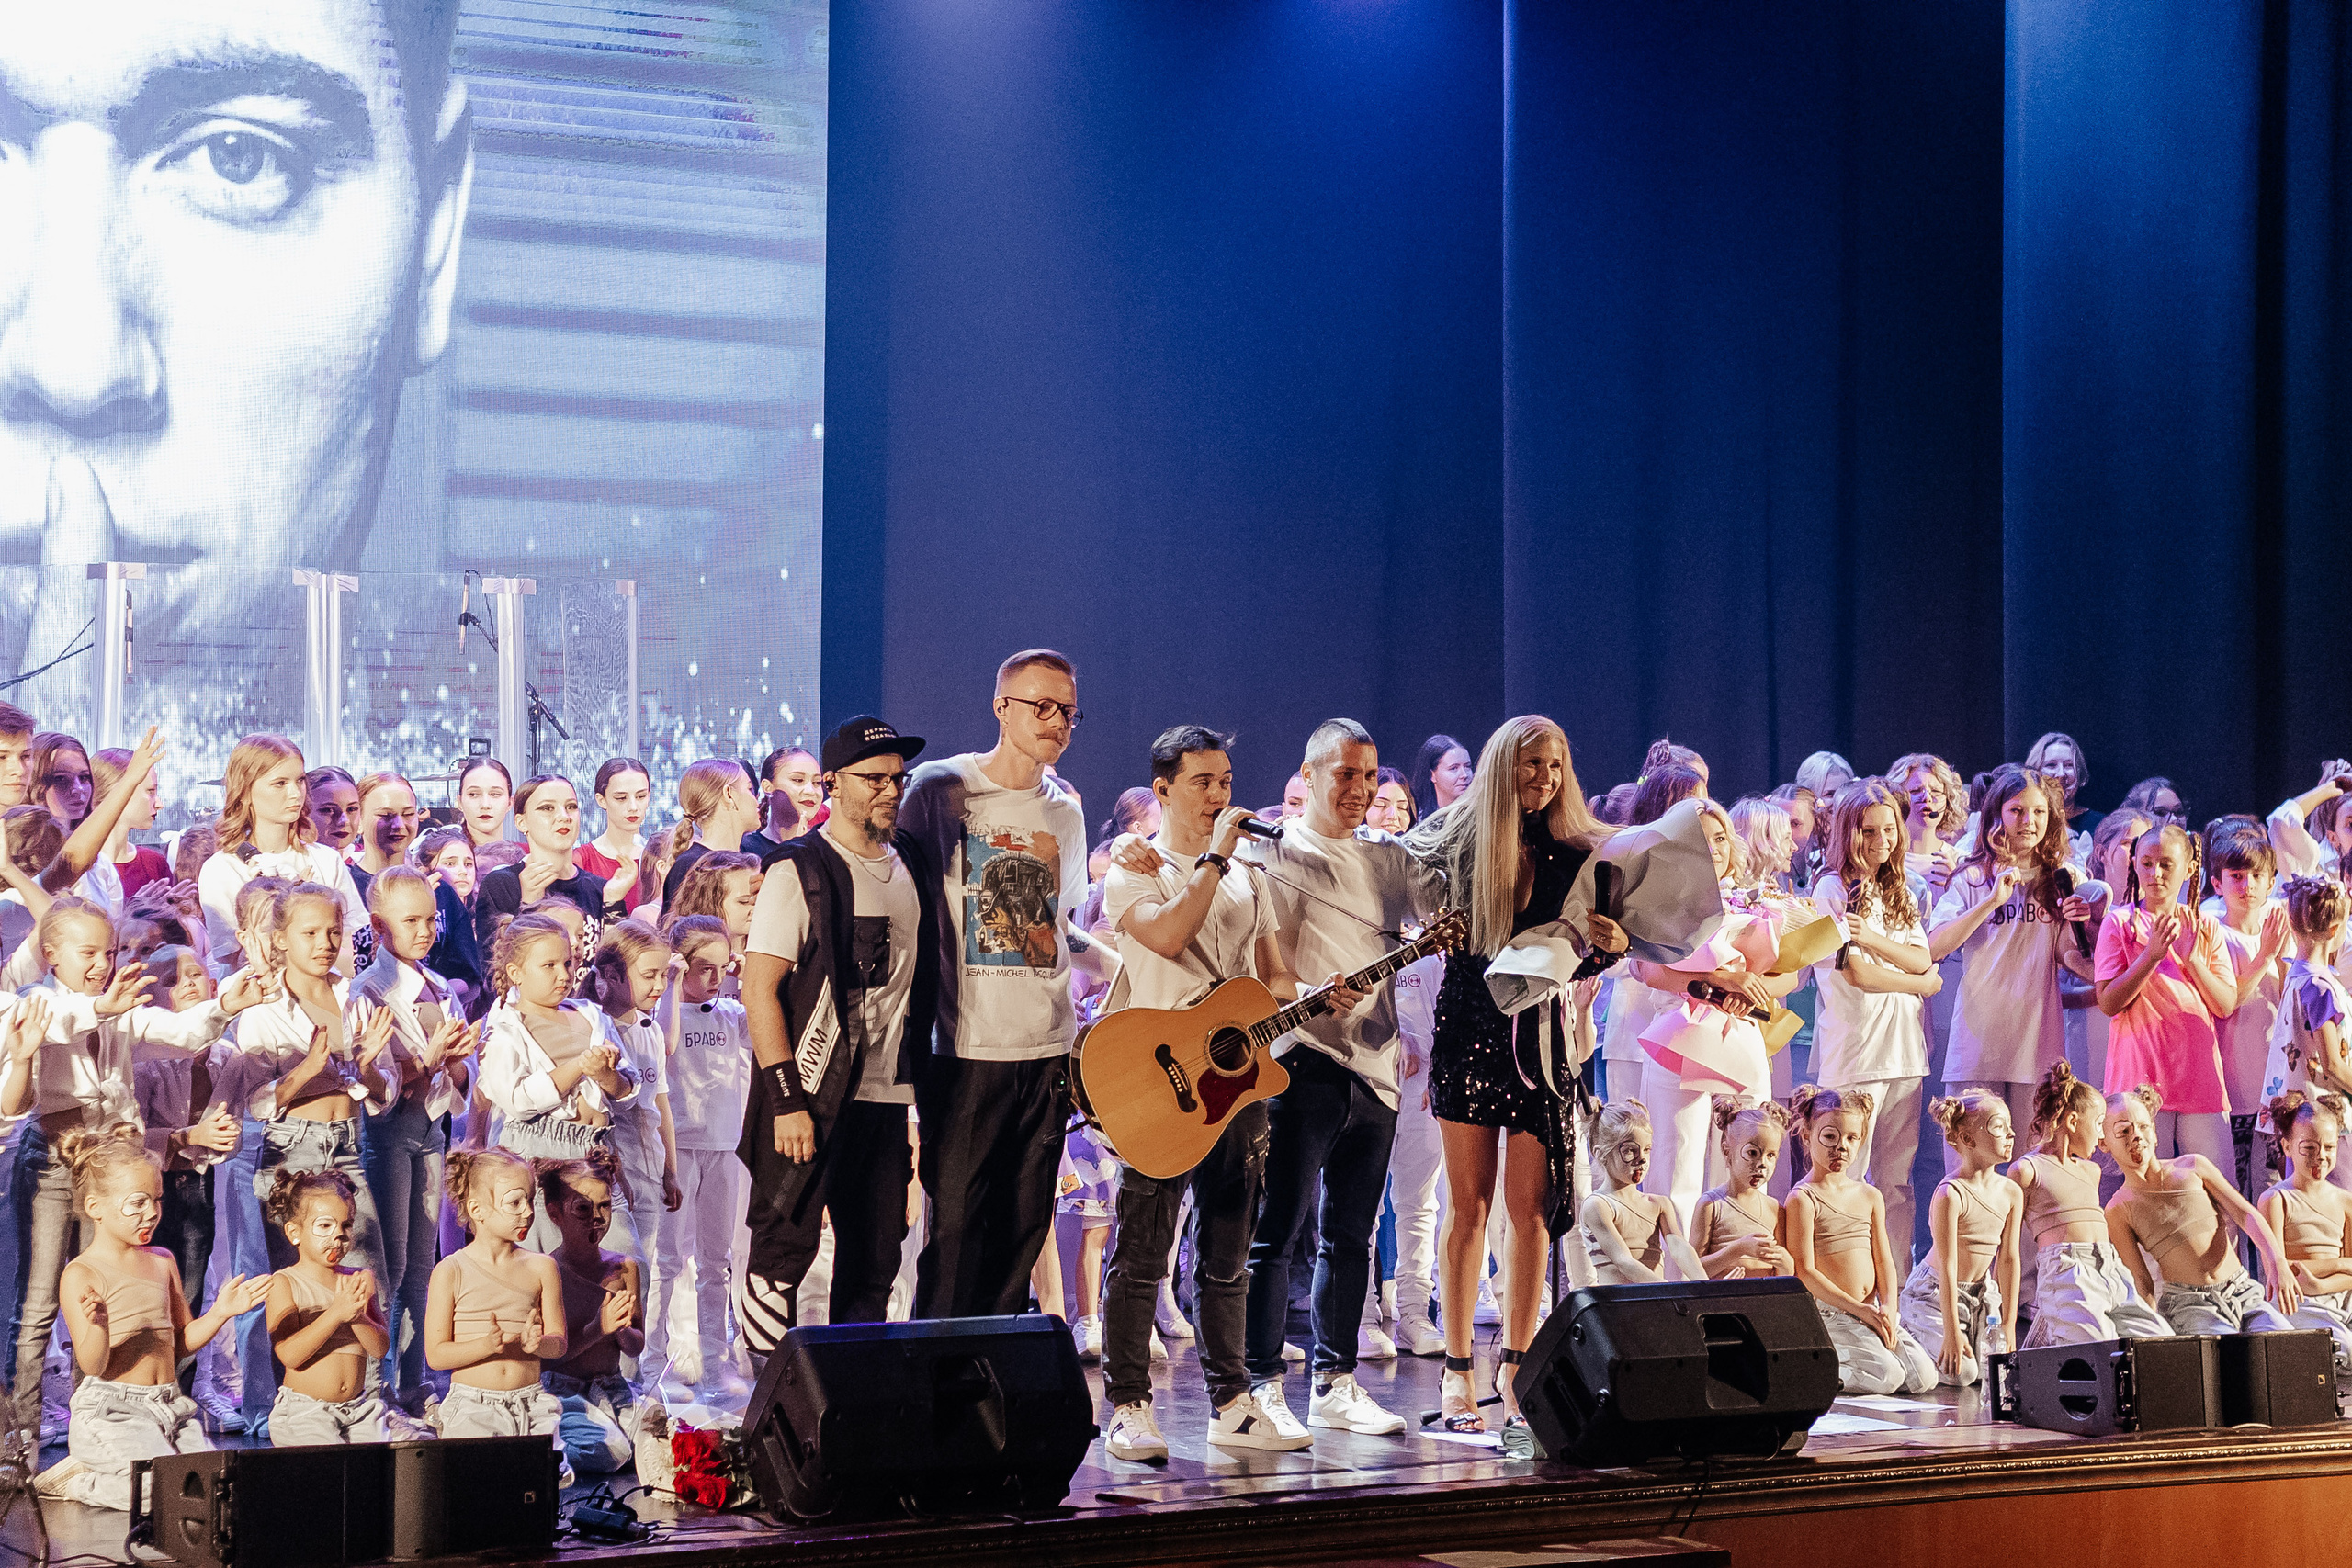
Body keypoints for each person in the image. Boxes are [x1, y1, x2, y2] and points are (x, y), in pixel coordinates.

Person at [1220, 720, 1442, 1438]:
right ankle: (1260, 1382)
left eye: (1370, 776)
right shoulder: (1270, 849)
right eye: (1345, 774)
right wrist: (1312, 990)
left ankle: (1337, 1381)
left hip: (1377, 1070)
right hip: (1300, 1057)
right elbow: (1261, 960)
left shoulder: (1389, 859)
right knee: (1279, 1230)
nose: (1360, 789)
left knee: (1350, 1233)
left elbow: (1444, 907)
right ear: (1310, 774)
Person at [1406, 716, 1622, 1449]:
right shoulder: (1452, 841)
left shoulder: (1575, 851)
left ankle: (1518, 1371)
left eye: (1556, 765)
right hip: (1468, 1032)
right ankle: (1457, 1370)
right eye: (1532, 764)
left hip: (1540, 1044)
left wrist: (1607, 951)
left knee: (1528, 1213)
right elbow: (1395, 895)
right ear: (1504, 767)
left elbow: (1576, 955)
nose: (1546, 778)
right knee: (1466, 1208)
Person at [1096, 725, 1306, 1462]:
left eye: (1225, 779)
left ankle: (1232, 1400)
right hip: (1157, 1078)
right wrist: (1215, 853)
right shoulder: (1136, 867)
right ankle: (1126, 1401)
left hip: (1234, 1080)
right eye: (1203, 782)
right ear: (1162, 790)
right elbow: (1166, 934)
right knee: (1144, 1246)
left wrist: (1297, 1006)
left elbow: (1271, 974)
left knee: (1226, 1249)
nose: (1221, 794)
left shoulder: (1251, 872)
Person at [898, 651, 1109, 1319]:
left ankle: (990, 1390)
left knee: (1021, 1235)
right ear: (1002, 707)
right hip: (963, 1052)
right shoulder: (940, 788)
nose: (1057, 722)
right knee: (956, 1235)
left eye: (1068, 710)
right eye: (1041, 706)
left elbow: (1059, 928)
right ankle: (934, 1388)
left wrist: (1123, 968)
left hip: (1044, 1051)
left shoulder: (1065, 813)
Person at [1, 899, 267, 1405]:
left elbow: (181, 1034)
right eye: (88, 953)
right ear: (51, 954)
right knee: (36, 1307)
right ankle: (19, 1446)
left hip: (110, 1171)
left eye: (107, 952)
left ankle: (95, 1419)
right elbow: (59, 1021)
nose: (102, 965)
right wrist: (103, 1008)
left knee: (103, 1300)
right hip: (55, 1167)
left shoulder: (118, 1010)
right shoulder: (36, 1000)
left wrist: (227, 1005)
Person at [739, 715, 940, 1361]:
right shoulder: (801, 868)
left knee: (876, 1259)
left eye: (896, 777)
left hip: (884, 1099)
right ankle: (767, 1410)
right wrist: (785, 1099)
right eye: (874, 777)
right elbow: (758, 988)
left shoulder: (910, 858)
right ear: (831, 783)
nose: (890, 788)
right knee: (782, 1255)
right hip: (811, 1098)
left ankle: (855, 1402)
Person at [30, 1130, 266, 1510]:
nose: (153, 1212)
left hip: (170, 1404)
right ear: (95, 1207)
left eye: (157, 1200)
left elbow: (181, 1343)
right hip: (113, 1410)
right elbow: (93, 1366)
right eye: (137, 1203)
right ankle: (80, 1480)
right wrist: (101, 1327)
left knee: (217, 1485)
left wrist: (221, 1311)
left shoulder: (162, 1261)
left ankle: (129, 1466)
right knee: (162, 1493)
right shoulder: (82, 1273)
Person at [349, 867, 477, 1413]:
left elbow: (462, 1073)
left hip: (431, 1130)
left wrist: (454, 1061)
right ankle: (376, 1382)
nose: (425, 930)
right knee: (390, 1267)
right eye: (411, 920)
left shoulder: (441, 986)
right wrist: (429, 1061)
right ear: (380, 927)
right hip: (387, 1135)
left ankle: (413, 1377)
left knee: (423, 1266)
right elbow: (382, 1089)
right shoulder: (369, 990)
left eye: (432, 918)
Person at [1930, 765, 2104, 1152]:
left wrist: (2083, 929)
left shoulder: (2063, 876)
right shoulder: (1972, 877)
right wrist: (1992, 900)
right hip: (1978, 1042)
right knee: (1969, 1165)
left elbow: (2066, 953)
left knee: (2033, 1164)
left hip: (2037, 1041)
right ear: (1996, 815)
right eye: (2017, 811)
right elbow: (1935, 946)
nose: (2029, 821)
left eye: (2039, 812)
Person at [1807, 779, 1940, 1263]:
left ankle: (1895, 1285)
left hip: (1904, 1055)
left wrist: (1888, 950)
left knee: (1896, 1183)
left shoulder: (1897, 888)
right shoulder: (1830, 887)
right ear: (1848, 832)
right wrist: (1919, 985)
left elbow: (1922, 957)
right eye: (1868, 831)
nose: (1881, 841)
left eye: (1889, 830)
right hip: (1856, 1054)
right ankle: (1841, 1280)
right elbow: (1857, 972)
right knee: (1845, 1177)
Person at [2095, 823, 2260, 1173]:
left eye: (2167, 864)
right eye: (2147, 863)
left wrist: (2192, 958)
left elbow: (2225, 1003)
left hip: (2198, 1075)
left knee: (2217, 1190)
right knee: (2145, 1188)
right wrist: (2151, 955)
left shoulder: (2205, 925)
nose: (2155, 873)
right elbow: (2109, 1002)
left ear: (2189, 868)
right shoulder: (2119, 922)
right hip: (2139, 1073)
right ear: (2135, 865)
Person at [650, 917, 751, 1397]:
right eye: (702, 967)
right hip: (680, 1149)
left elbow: (771, 1032)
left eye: (722, 966)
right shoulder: (662, 1015)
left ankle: (716, 1361)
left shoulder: (730, 1012)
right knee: (669, 1260)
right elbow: (666, 1045)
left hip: (724, 1147)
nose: (715, 977)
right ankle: (659, 1362)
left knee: (717, 1261)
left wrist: (749, 977)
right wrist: (669, 981)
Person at [2104, 1083, 2297, 1334]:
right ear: (2103, 1142)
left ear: (2154, 1131)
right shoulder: (2118, 1208)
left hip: (2241, 1290)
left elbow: (2245, 1213)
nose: (2136, 1137)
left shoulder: (2193, 1167)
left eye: (2142, 1127)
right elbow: (2141, 1281)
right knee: (2228, 1358)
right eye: (2123, 1131)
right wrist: (2154, 1334)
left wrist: (2277, 1261)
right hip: (2189, 1306)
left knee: (2284, 1345)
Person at [425, 1149, 570, 1481]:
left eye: (531, 1201)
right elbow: (436, 1354)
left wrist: (538, 1344)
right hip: (474, 1405)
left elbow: (558, 1344)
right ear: (477, 1209)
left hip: (531, 1402)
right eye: (515, 1203)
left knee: (536, 1487)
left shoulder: (543, 1267)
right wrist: (486, 1345)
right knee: (480, 1485)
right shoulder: (451, 1270)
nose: (528, 1213)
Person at [1782, 1084, 1936, 1394]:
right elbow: (1804, 1271)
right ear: (1808, 1135)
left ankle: (1862, 1352)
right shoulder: (1803, 1198)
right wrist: (1859, 1309)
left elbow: (1884, 1259)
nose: (1841, 1147)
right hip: (1832, 1312)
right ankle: (1818, 1367)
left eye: (1852, 1138)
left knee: (1923, 1377)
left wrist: (1889, 1308)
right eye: (1830, 1137)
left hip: (1869, 1310)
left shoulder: (1868, 1195)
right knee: (1889, 1376)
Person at [2010, 1062, 2170, 1346]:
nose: (2100, 1136)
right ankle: (2044, 1339)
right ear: (2073, 1122)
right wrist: (2007, 1322)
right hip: (2068, 1270)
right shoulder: (2027, 1170)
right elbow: (2008, 1249)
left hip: (2110, 1268)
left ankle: (2051, 1330)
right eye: (2098, 1125)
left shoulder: (2090, 1171)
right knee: (2100, 1348)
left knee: (2160, 1344)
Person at [197, 736, 367, 970]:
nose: (296, 794)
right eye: (280, 783)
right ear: (245, 792)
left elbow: (351, 942)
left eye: (300, 781)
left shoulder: (326, 860)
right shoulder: (221, 870)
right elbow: (236, 958)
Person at [1901, 1092, 2021, 1387]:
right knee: (1963, 1374)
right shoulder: (1950, 1193)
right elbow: (1948, 1264)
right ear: (1968, 1139)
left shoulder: (2011, 1192)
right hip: (1936, 1293)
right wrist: (1952, 1332)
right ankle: (1907, 1332)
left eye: (2009, 1125)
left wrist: (2008, 1324)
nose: (2011, 1133)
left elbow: (2008, 1259)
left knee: (1992, 1373)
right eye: (1998, 1126)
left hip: (1980, 1296)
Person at [262, 1169, 390, 1445]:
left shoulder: (359, 1279)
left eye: (346, 1225)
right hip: (305, 1411)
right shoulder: (284, 1282)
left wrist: (357, 1318)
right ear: (294, 1233)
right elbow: (289, 1355)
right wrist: (335, 1314)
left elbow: (379, 1348)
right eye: (324, 1226)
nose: (339, 1236)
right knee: (327, 1470)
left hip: (359, 1409)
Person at [537, 1153, 645, 1478]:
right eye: (583, 1209)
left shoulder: (623, 1267)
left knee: (665, 1439)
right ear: (555, 1213)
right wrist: (598, 1329)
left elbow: (636, 1344)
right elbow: (546, 1358)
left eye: (604, 1206)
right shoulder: (546, 1271)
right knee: (610, 1454)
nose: (597, 1218)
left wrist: (622, 1332)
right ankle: (541, 1445)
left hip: (614, 1388)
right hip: (565, 1392)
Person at [472, 774, 626, 961]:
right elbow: (493, 974)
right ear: (521, 822)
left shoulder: (600, 888)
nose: (564, 816)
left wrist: (613, 903)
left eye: (571, 807)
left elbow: (616, 972)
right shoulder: (501, 885)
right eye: (547, 808)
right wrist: (529, 906)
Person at [2258, 1091, 2352, 1363]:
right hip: (2297, 1300)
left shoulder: (2346, 1201)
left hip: (2337, 1295)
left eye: (2329, 1147)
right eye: (2309, 1148)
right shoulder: (2276, 1200)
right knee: (2340, 1347)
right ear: (2287, 1147)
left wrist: (2320, 1283)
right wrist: (2341, 1264)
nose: (2320, 1156)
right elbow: (2280, 1271)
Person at [1580, 1100, 1704, 1286]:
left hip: (1654, 1304)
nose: (1642, 1159)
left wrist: (1703, 1284)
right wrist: (1668, 1289)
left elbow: (1679, 1247)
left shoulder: (1659, 1204)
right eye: (1630, 1150)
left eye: (1647, 1150)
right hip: (1616, 1308)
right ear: (1600, 1153)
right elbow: (1623, 1261)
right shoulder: (1598, 1205)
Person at [1690, 1099, 1792, 1278]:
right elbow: (1693, 1269)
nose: (1762, 1164)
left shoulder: (1776, 1209)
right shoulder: (1711, 1205)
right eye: (1752, 1153)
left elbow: (1784, 1277)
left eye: (1771, 1155)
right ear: (1727, 1151)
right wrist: (1738, 1249)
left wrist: (1785, 1262)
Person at [659, 759, 764, 910]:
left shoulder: (751, 858)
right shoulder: (693, 865)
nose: (757, 801)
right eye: (749, 789)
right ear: (728, 794)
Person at [576, 759, 656, 917]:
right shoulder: (581, 860)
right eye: (621, 798)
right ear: (601, 800)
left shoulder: (660, 858)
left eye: (641, 796)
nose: (633, 807)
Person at [743, 746, 824, 863]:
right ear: (767, 787)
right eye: (798, 780)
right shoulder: (746, 850)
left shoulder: (827, 849)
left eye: (817, 782)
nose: (811, 791)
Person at [2023, 732, 2097, 857]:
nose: (2061, 773)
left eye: (2069, 765)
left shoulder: (2098, 825)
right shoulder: (2024, 822)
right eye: (2051, 765)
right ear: (2034, 772)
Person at [458, 761, 525, 878]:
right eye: (473, 794)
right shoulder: (444, 859)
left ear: (510, 802)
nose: (485, 805)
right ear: (460, 802)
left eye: (495, 794)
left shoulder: (527, 859)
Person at [1409, 735, 1474, 823]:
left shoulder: (1479, 815)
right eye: (1454, 768)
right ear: (1432, 775)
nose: (1464, 775)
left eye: (1467, 767)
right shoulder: (1415, 821)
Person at [305, 768, 362, 860]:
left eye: (351, 809)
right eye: (328, 810)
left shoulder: (364, 862)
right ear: (303, 813)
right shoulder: (288, 865)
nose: (344, 821)